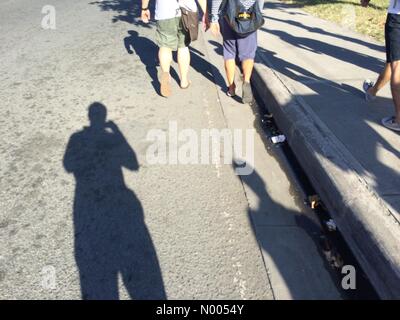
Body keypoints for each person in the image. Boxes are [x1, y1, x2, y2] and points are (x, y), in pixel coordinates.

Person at [141, 0, 208, 97]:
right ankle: (184, 81)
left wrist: (144, 8)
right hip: (186, 11)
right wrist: (206, 12)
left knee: (165, 46)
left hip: (164, 12)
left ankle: (166, 75)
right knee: (183, 46)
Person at [210, 0, 264, 104]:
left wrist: (214, 18)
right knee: (248, 54)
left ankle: (231, 87)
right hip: (250, 14)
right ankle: (246, 81)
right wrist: (259, 13)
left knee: (229, 52)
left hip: (229, 14)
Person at [362, 0, 400, 131]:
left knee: (396, 64)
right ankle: (372, 91)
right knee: (393, 60)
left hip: (397, 15)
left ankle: (399, 120)